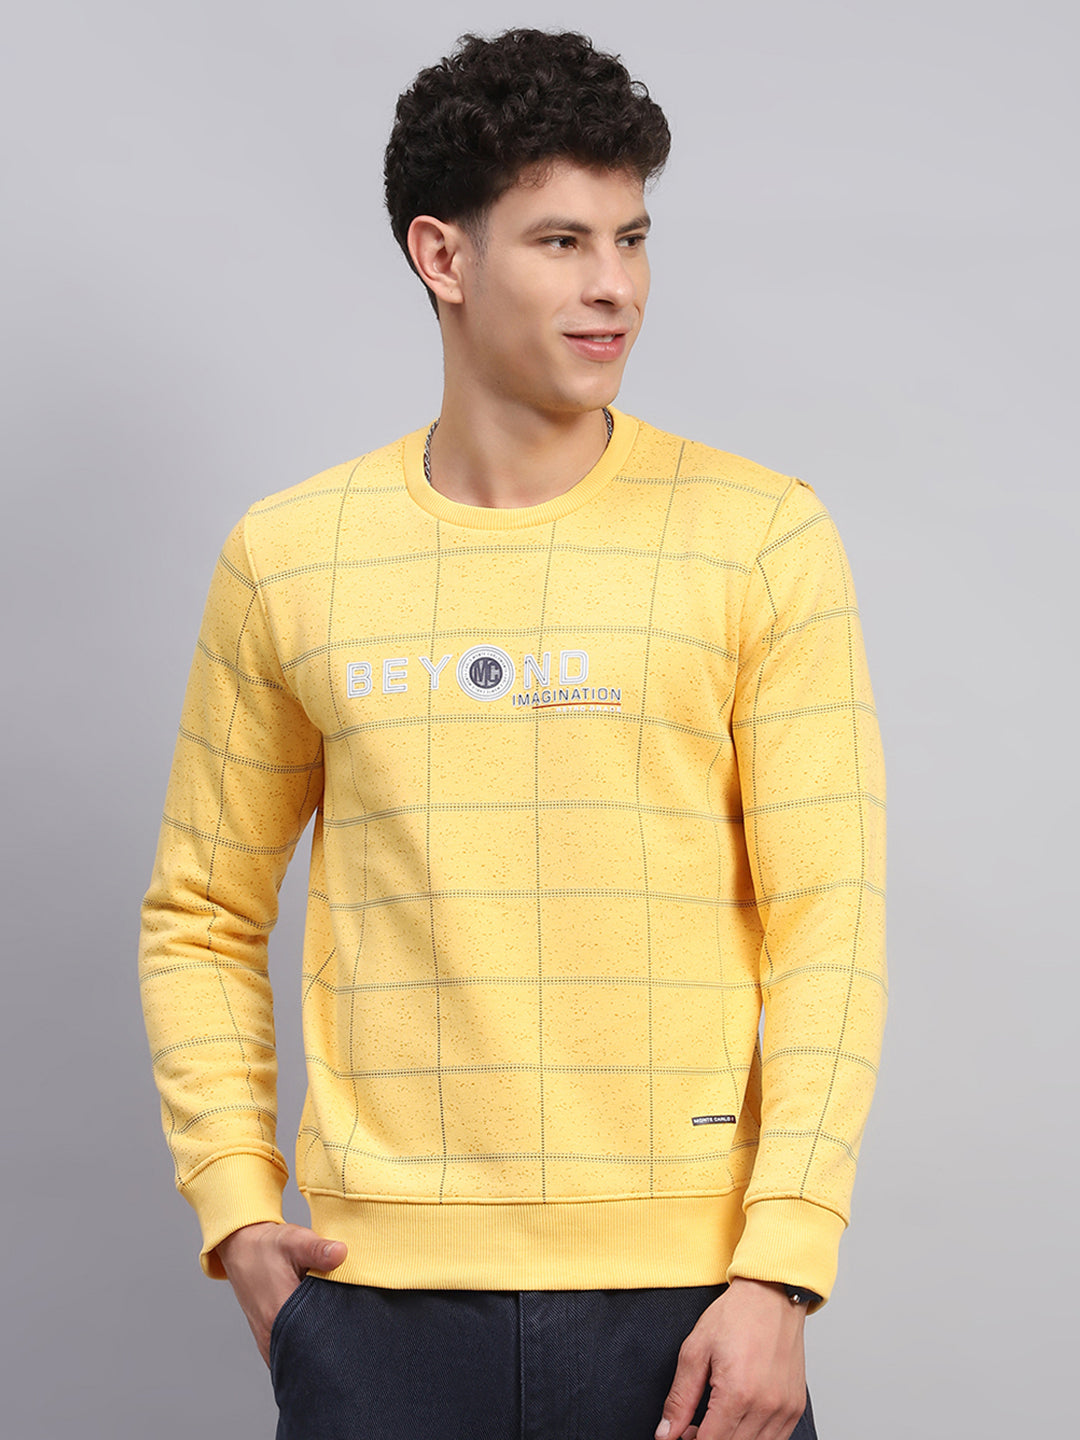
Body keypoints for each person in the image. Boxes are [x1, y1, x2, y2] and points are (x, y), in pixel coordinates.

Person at [139, 27, 886, 1440]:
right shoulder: (290, 557)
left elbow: (828, 928)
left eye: (632, 238)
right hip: (375, 1309)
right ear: (443, 256)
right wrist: (237, 1212)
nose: (617, 286)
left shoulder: (759, 535)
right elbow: (202, 913)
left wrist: (784, 1269)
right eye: (561, 241)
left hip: (695, 1302)